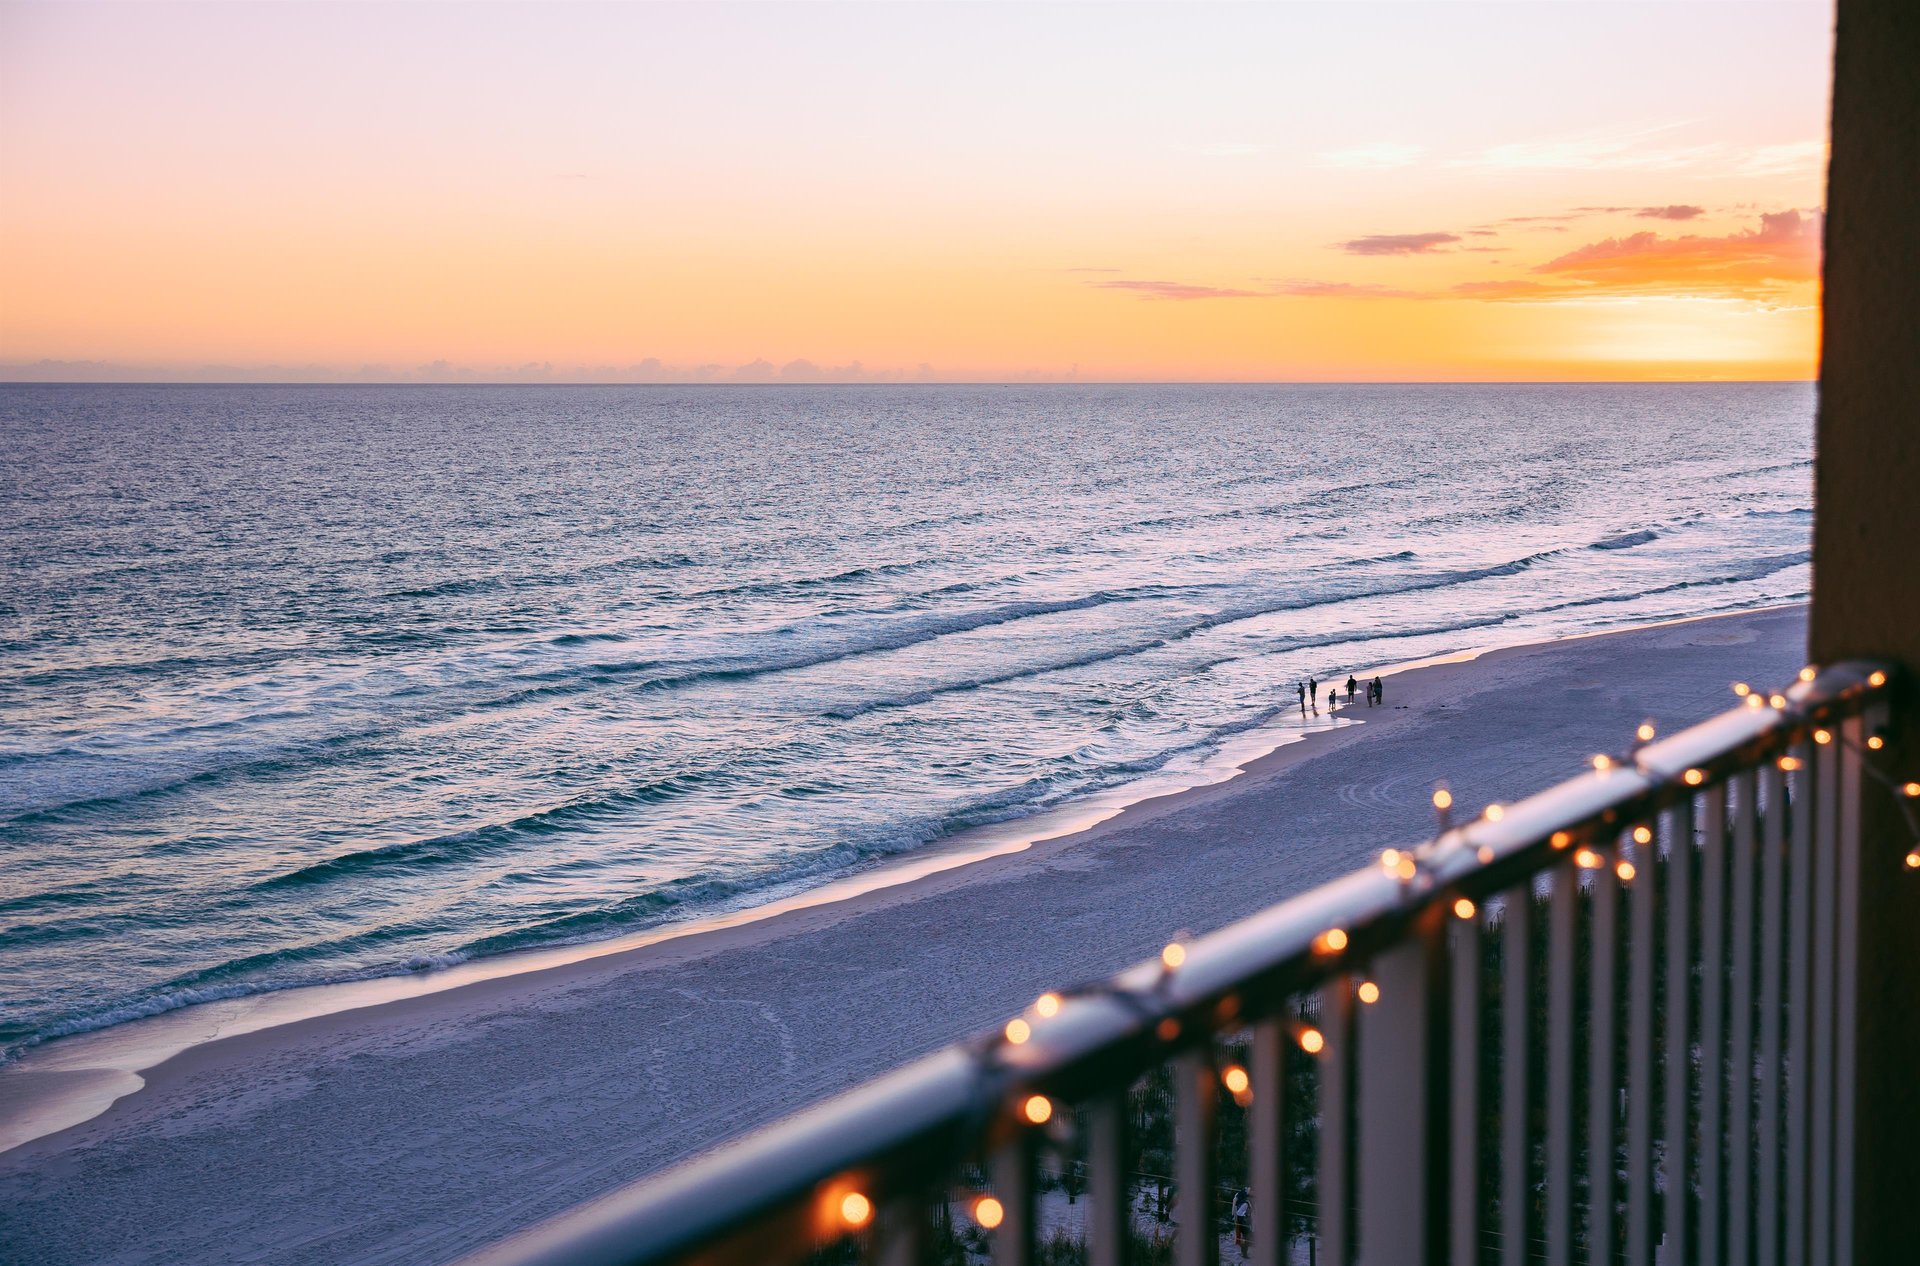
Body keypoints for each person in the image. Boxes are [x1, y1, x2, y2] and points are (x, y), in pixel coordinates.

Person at [1230, 1187, 1251, 1256]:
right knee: (1246, 1237)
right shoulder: (1245, 1203)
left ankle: (1244, 1252)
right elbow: (1239, 1213)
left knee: (1245, 1237)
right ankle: (1244, 1253)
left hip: (1240, 1220)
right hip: (1243, 1221)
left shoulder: (1240, 1200)